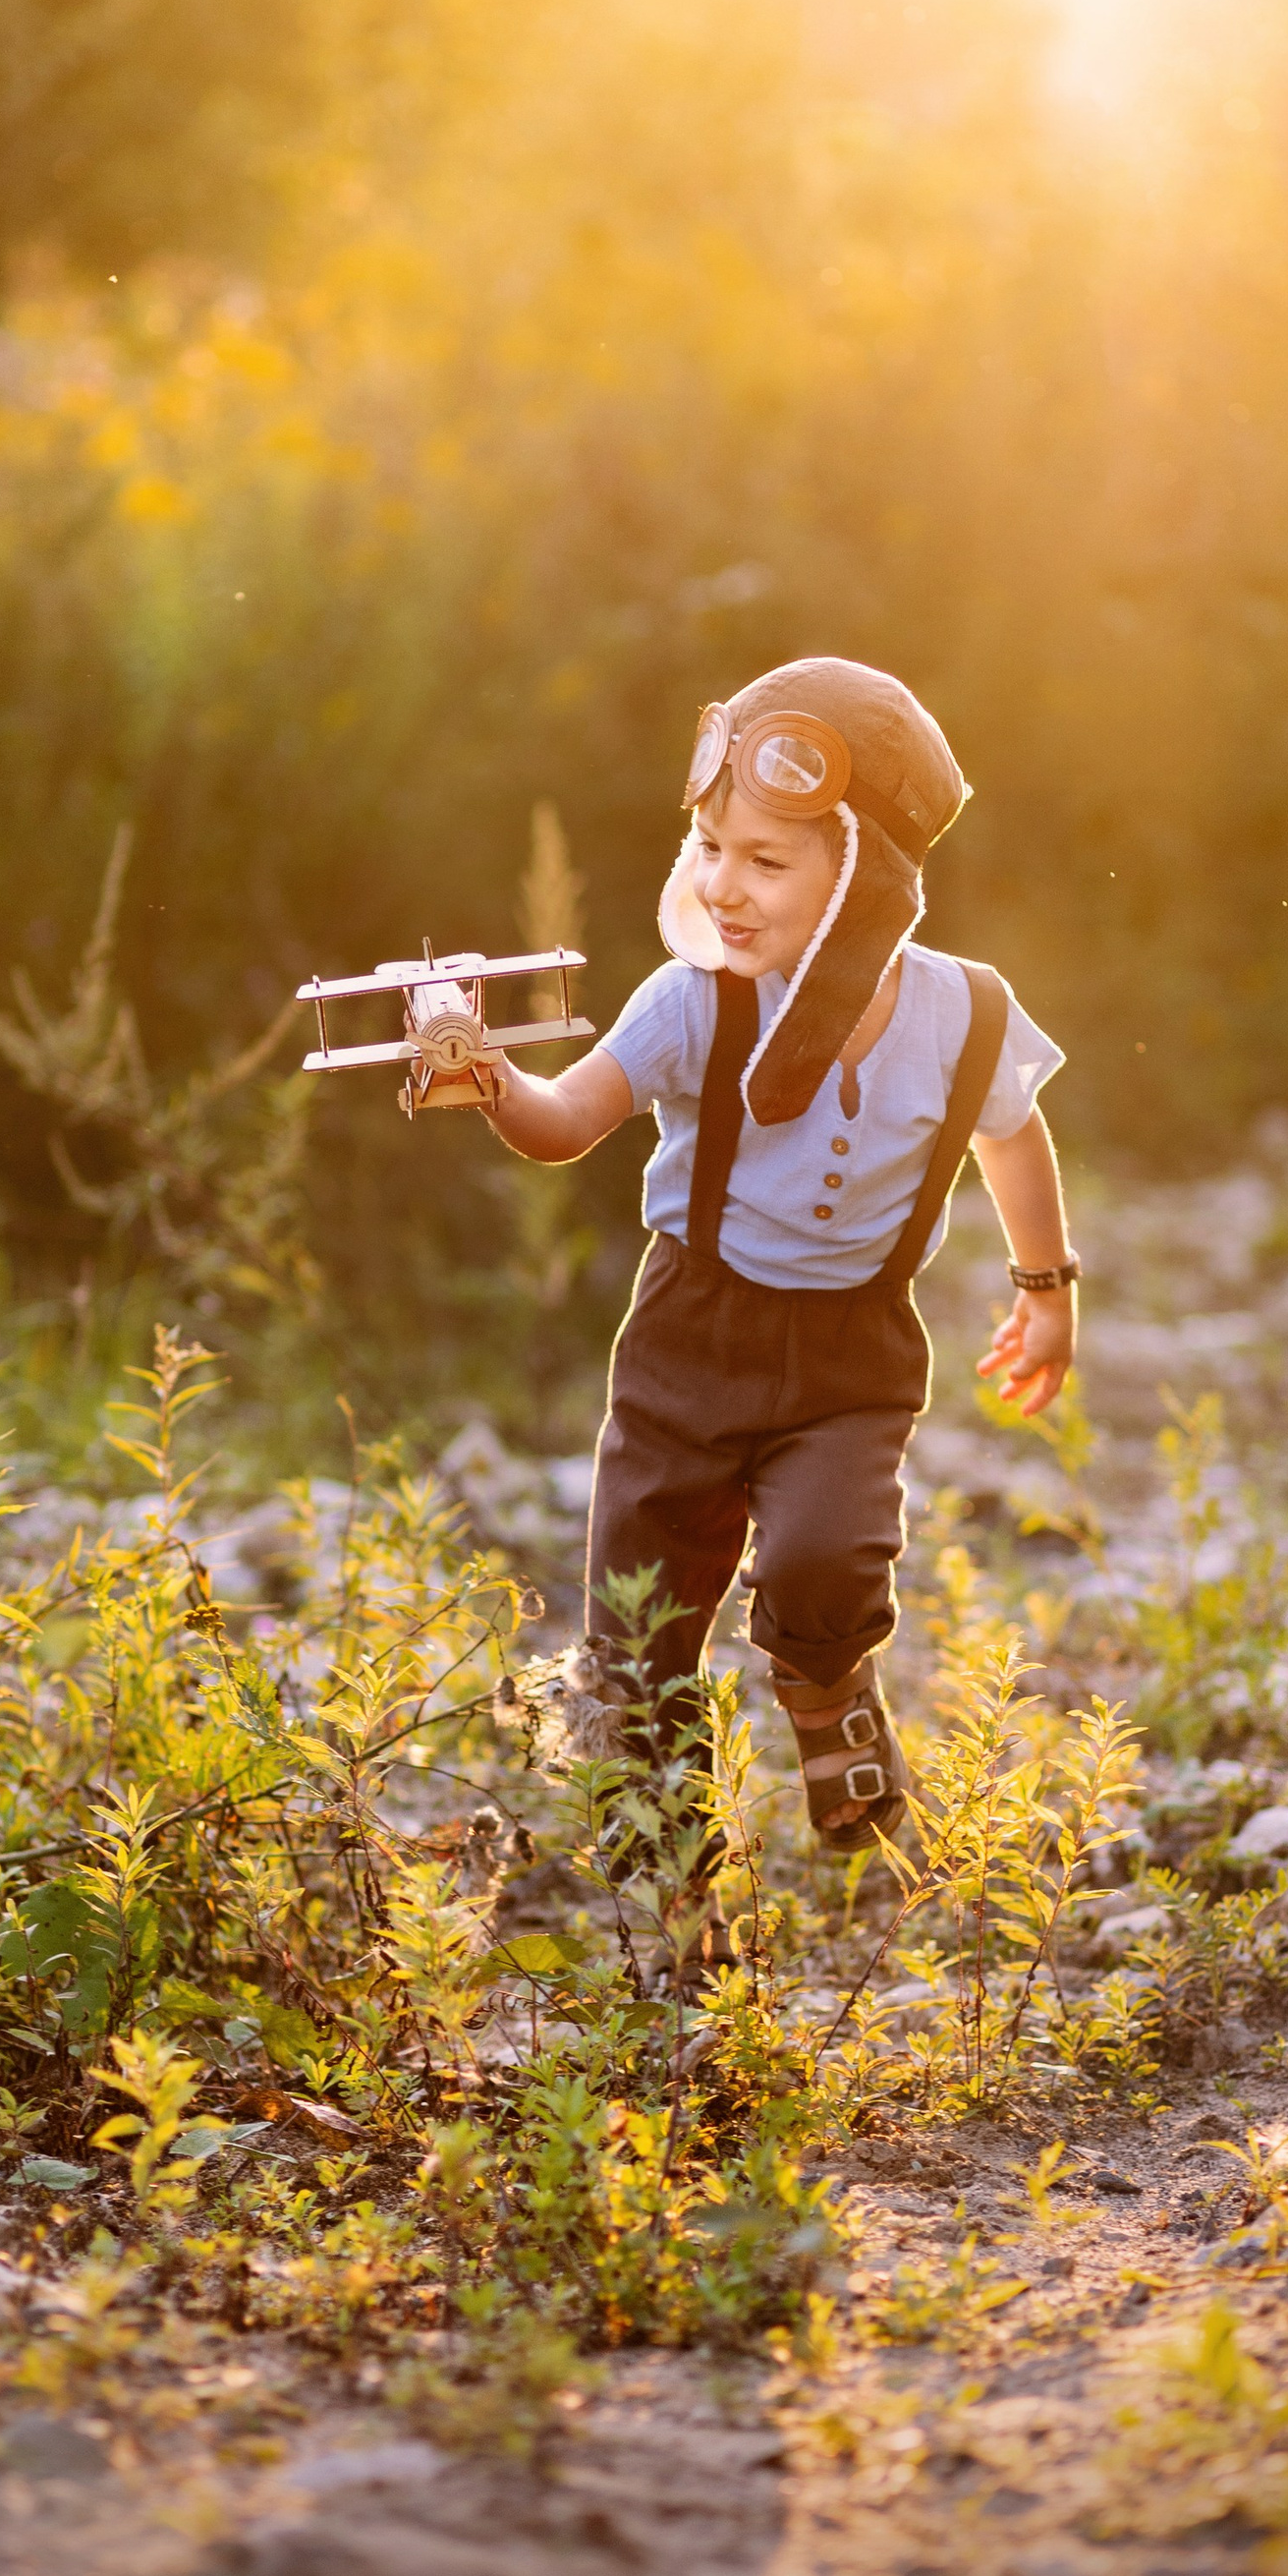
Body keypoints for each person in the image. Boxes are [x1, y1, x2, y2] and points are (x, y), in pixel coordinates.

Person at [467, 656, 1077, 1895]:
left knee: (826, 1562)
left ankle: (825, 1685)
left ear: (861, 874)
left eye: (765, 859)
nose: (722, 887)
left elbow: (1010, 1129)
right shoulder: (691, 1001)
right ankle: (676, 1898)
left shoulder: (964, 1012)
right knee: (639, 1624)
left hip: (851, 1352)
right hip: (688, 1337)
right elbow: (564, 1117)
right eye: (708, 847)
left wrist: (1045, 1286)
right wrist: (486, 1076)